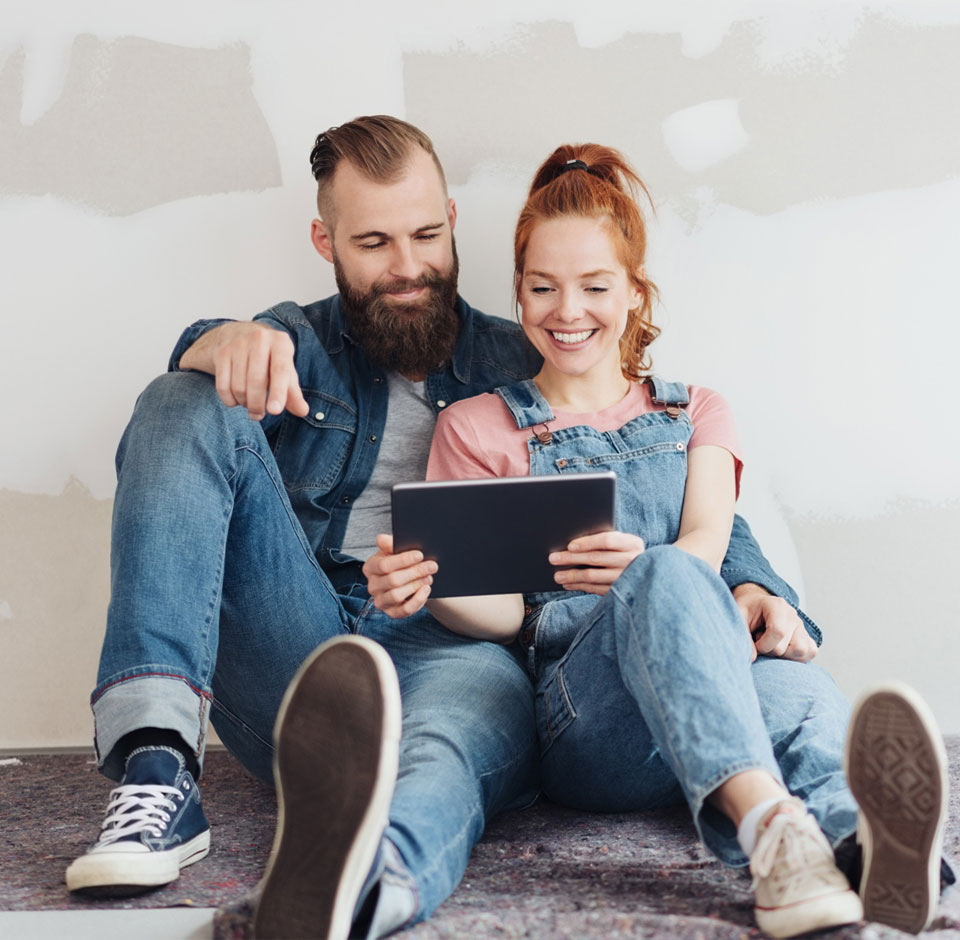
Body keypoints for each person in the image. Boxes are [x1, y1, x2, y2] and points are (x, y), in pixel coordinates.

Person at [66, 116, 844, 939]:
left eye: (426, 234)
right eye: (373, 242)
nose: (407, 267)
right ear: (324, 240)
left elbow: (676, 469)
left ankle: (364, 890)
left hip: (461, 649)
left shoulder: (534, 356)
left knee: (447, 754)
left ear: (454, 224)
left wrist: (756, 585)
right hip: (306, 653)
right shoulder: (292, 345)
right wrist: (213, 341)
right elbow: (209, 381)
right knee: (181, 397)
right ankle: (154, 768)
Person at [364, 143, 952, 937]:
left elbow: (708, 541)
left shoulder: (696, 411)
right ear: (519, 293)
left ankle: (862, 847)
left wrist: (660, 579)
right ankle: (771, 836)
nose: (567, 311)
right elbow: (502, 617)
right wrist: (433, 583)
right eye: (542, 288)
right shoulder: (477, 427)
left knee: (800, 692)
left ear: (636, 293)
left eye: (594, 287)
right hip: (584, 714)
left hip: (706, 670)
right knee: (665, 574)